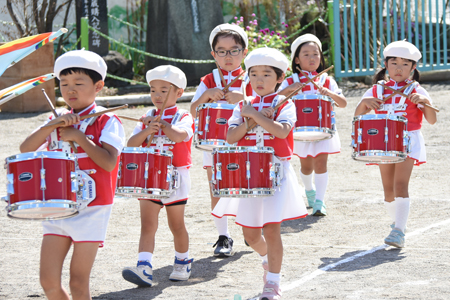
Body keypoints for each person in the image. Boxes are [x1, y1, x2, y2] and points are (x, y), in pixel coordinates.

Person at [19, 50, 125, 300]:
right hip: (56, 207)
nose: (70, 90)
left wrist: (80, 138)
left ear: (98, 86)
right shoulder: (55, 119)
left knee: (78, 283)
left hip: (92, 209)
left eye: (78, 83)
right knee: (48, 282)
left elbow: (109, 163)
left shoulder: (108, 120)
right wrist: (51, 126)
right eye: (64, 84)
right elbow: (25, 149)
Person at [212, 47, 308, 300]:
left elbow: (281, 132)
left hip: (276, 175)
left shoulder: (284, 103)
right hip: (247, 176)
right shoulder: (243, 106)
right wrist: (251, 118)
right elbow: (231, 137)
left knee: (271, 229)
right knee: (251, 236)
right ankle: (268, 261)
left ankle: (273, 283)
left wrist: (254, 116)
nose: (259, 80)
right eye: (253, 74)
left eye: (266, 74)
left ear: (279, 78)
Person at [354, 40, 436, 248]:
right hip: (382, 141)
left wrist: (424, 103)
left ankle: (399, 231)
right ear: (386, 65)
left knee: (401, 184)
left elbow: (432, 120)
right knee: (388, 189)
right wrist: (365, 104)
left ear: (413, 68)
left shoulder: (417, 90)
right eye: (394, 63)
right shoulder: (378, 89)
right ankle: (396, 224)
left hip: (408, 140)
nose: (399, 68)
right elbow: (358, 116)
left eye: (405, 64)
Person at [122, 65, 194, 286]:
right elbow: (131, 144)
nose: (157, 95)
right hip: (149, 176)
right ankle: (144, 266)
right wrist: (146, 130)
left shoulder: (183, 115)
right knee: (148, 224)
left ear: (179, 93)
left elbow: (181, 136)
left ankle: (183, 261)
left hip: (176, 177)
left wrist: (163, 125)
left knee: (176, 224)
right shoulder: (147, 116)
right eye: (153, 90)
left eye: (164, 90)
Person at [190, 23, 254, 257]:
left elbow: (264, 105)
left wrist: (244, 97)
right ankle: (223, 236)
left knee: (248, 185)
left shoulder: (251, 77)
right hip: (214, 144)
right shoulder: (208, 80)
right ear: (213, 54)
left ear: (244, 52)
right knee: (217, 188)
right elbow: (193, 111)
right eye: (222, 51)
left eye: (234, 50)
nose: (228, 56)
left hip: (245, 140)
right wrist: (206, 95)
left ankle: (251, 229)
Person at [278, 33, 347, 216]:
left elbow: (343, 103)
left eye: (315, 54)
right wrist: (288, 90)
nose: (312, 58)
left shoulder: (327, 80)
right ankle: (309, 190)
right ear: (297, 60)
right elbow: (274, 101)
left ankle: (319, 202)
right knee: (306, 166)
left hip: (323, 130)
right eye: (306, 54)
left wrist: (329, 93)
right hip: (300, 130)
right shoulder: (291, 80)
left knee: (321, 164)